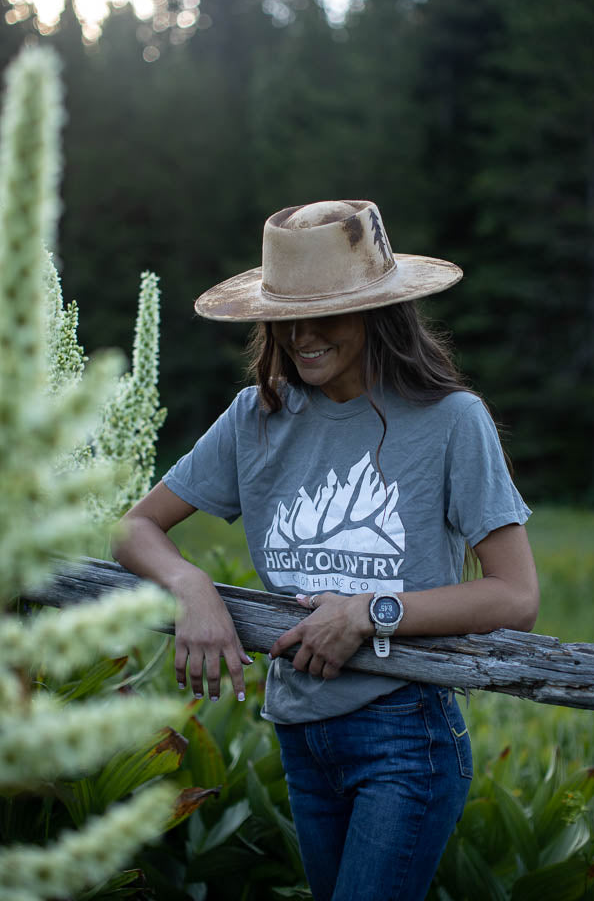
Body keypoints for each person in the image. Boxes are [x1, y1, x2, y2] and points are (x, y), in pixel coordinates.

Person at [113, 199, 539, 901]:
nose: (303, 336)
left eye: (328, 313)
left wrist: (368, 612)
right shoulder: (256, 416)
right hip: (299, 730)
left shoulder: (451, 421)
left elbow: (514, 596)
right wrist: (192, 589)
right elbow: (135, 527)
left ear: (379, 311)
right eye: (287, 316)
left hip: (405, 735)